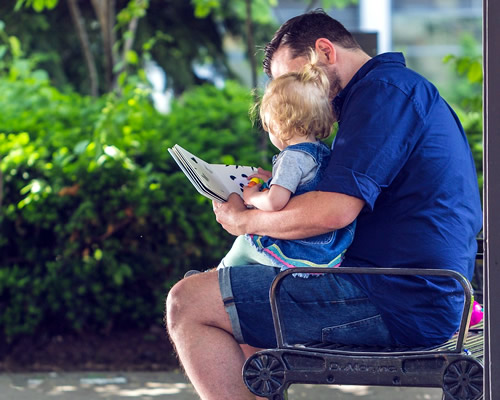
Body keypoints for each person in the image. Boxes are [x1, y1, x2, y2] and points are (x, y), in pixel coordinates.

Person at [166, 10, 482, 400]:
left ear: (325, 51)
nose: (294, 94)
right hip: (405, 290)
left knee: (188, 301)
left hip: (396, 298)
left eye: (294, 79)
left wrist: (244, 221)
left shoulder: (383, 93)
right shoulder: (386, 93)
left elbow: (333, 212)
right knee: (232, 311)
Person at [218, 52, 355, 272]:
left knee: (245, 242)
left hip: (303, 251)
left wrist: (253, 196)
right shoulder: (320, 152)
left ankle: (217, 276)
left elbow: (275, 202)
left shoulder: (291, 157)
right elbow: (300, 187)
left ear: (278, 124)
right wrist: (273, 179)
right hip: (328, 249)